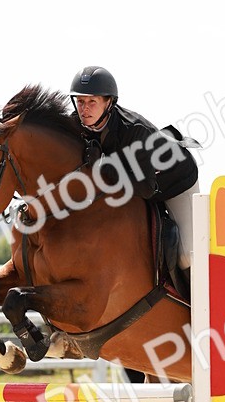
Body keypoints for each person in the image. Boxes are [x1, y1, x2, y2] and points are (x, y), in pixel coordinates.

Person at [69, 66, 199, 267]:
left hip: (175, 181)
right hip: (132, 185)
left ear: (108, 103)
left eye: (92, 102)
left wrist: (104, 166)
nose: (84, 109)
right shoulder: (76, 125)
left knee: (187, 257)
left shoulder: (134, 131)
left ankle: (190, 298)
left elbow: (146, 188)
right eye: (80, 101)